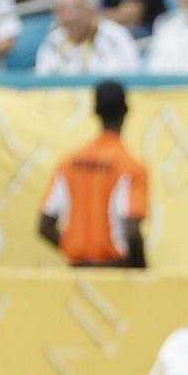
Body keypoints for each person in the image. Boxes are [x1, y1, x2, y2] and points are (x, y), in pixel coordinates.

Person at [39, 81, 149, 269]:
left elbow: (44, 226)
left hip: (78, 272)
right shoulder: (131, 166)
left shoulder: (69, 162)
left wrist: (77, 255)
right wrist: (139, 269)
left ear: (95, 111)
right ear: (126, 111)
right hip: (117, 276)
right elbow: (131, 231)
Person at [35, 0, 140, 75]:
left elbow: (129, 75)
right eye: (63, 10)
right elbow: (42, 78)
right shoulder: (52, 41)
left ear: (91, 9)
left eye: (77, 8)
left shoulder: (114, 36)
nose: (71, 17)